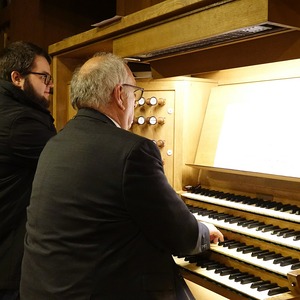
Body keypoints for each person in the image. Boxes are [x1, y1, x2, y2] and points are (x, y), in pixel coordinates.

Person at [20, 52, 223, 300]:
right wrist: (203, 232)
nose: (136, 102)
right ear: (119, 95)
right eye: (134, 93)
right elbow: (181, 237)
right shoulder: (133, 151)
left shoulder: (56, 143)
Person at [0, 41, 56, 300]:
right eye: (44, 77)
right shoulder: (21, 122)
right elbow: (63, 164)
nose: (51, 85)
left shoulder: (9, 108)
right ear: (17, 78)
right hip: (8, 250)